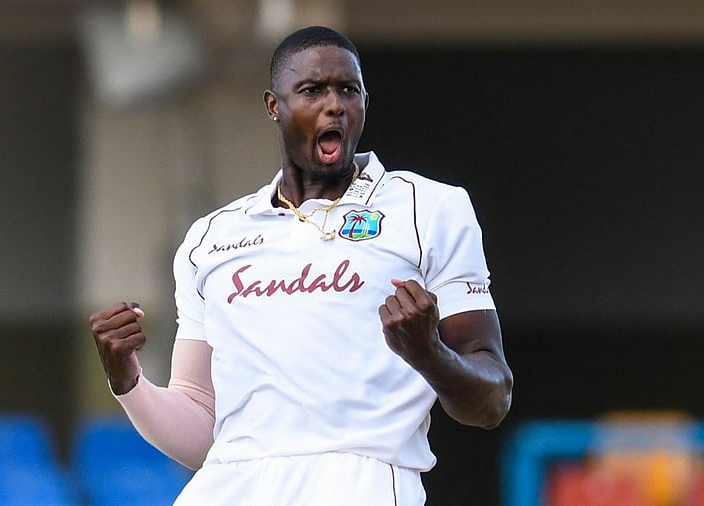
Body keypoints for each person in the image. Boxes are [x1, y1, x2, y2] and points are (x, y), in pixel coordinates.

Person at [89, 25, 513, 505]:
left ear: (364, 103)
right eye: (312, 90)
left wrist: (427, 351)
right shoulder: (211, 237)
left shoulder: (430, 209)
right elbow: (203, 434)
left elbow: (492, 401)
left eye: (348, 90)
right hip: (228, 487)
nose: (334, 105)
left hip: (359, 485)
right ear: (274, 106)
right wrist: (127, 382)